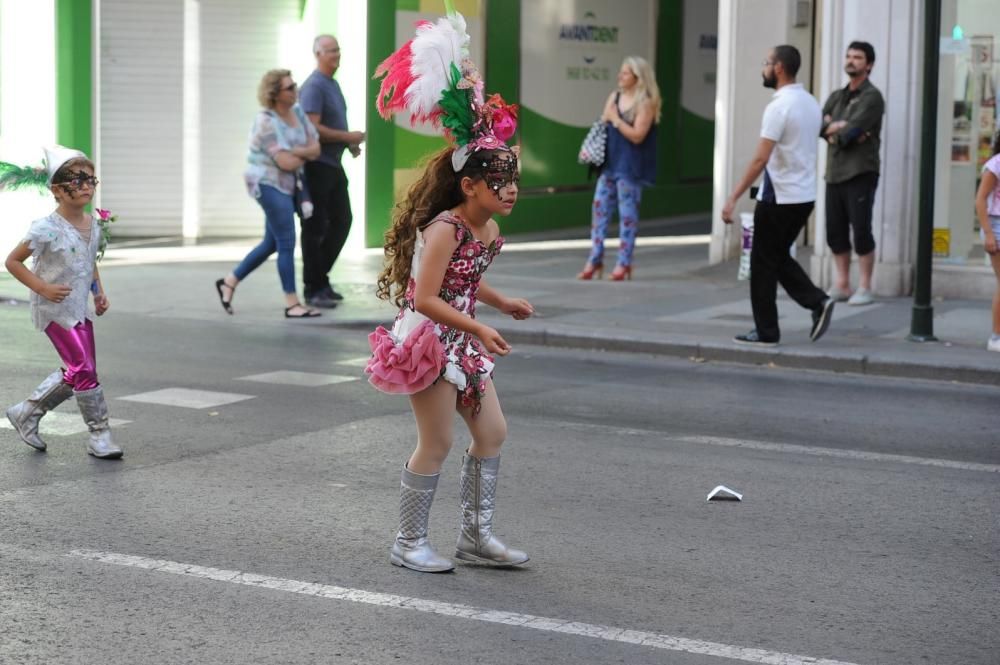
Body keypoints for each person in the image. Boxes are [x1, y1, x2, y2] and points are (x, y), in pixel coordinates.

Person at [367, 11, 533, 573]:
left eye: (513, 180)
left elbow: (464, 282)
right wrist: (481, 327)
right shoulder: (444, 228)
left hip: (461, 338)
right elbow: (426, 298)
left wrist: (499, 302)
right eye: (499, 182)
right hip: (432, 341)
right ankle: (408, 541)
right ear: (468, 186)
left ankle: (475, 538)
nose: (510, 189)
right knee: (434, 443)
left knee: (492, 432)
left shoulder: (487, 228)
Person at [2, 146, 123, 459]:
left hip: (79, 308)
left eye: (90, 180)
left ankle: (27, 412)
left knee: (78, 368)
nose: (85, 186)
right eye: (76, 180)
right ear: (56, 190)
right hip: (54, 309)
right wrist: (42, 287)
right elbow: (13, 262)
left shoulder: (95, 226)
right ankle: (99, 434)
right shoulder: (44, 228)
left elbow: (89, 261)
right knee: (85, 367)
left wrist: (99, 292)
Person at [722, 45, 835, 347]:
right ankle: (817, 302)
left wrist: (733, 196)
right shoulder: (810, 102)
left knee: (762, 262)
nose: (764, 68)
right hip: (804, 196)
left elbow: (760, 159)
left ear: (779, 68)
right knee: (776, 257)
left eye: (766, 63)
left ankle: (768, 331)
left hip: (779, 197)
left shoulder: (779, 107)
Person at [215, 69, 322, 319]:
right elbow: (285, 162)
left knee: (271, 243)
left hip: (286, 183)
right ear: (275, 94)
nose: (296, 90)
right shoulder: (265, 121)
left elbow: (316, 148)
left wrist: (297, 152)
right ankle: (292, 303)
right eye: (290, 87)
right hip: (266, 183)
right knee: (286, 240)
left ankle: (229, 281)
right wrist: (301, 152)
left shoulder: (297, 113)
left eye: (294, 85)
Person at [577, 56, 660, 281]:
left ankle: (624, 263)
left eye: (625, 73)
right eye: (621, 72)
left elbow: (638, 136)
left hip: (630, 168)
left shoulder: (646, 102)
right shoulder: (614, 97)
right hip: (609, 165)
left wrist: (615, 119)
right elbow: (603, 122)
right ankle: (594, 260)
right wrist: (610, 118)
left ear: (638, 77)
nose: (620, 76)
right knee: (599, 213)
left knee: (628, 217)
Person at [298, 34, 366, 309]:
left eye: (338, 49)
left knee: (342, 220)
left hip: (332, 164)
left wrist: (348, 144)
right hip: (317, 166)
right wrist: (347, 136)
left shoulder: (332, 84)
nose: (336, 55)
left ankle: (321, 280)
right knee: (315, 227)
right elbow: (312, 128)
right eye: (330, 51)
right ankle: (313, 287)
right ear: (317, 54)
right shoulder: (314, 86)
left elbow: (331, 126)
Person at [820, 41, 885, 306]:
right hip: (834, 173)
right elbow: (819, 124)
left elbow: (851, 133)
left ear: (868, 64)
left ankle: (866, 286)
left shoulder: (872, 97)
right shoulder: (838, 95)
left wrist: (838, 129)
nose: (851, 61)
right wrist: (838, 127)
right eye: (848, 56)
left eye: (857, 57)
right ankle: (842, 284)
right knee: (835, 232)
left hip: (860, 171)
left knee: (861, 231)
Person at [974, 130, 1000, 352]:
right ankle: (996, 336)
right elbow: (980, 200)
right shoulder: (996, 164)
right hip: (997, 225)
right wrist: (989, 234)